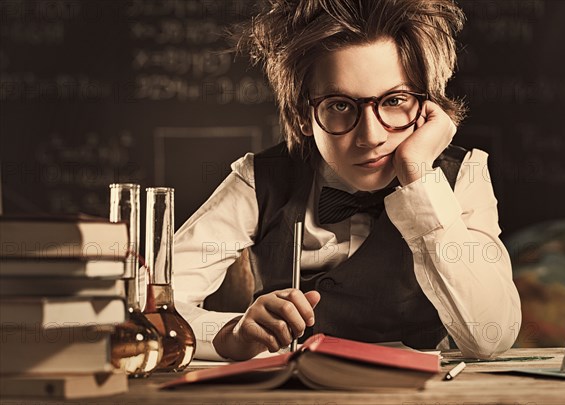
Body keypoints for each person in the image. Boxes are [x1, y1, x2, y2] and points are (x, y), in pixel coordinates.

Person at [172, 0, 521, 361]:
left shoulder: (462, 175)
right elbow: (150, 306)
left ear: (426, 107)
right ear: (302, 114)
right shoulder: (259, 180)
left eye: (395, 100)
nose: (370, 136)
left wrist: (417, 174)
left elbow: (491, 337)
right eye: (340, 105)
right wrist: (228, 334)